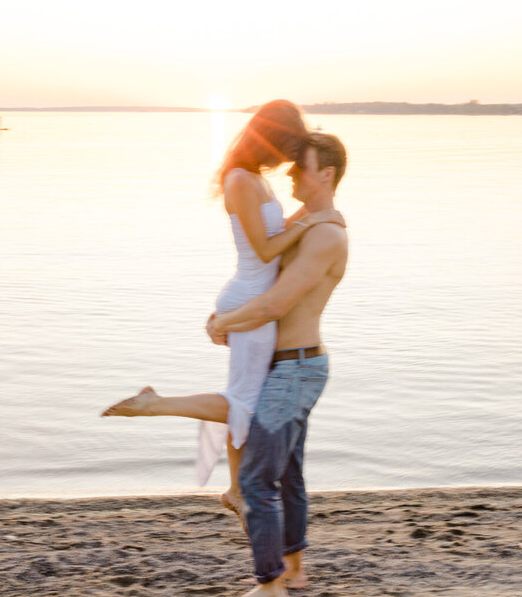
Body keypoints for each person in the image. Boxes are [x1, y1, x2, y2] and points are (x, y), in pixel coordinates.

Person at [101, 101, 342, 522]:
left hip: (256, 298)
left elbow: (276, 233)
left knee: (247, 398)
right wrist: (309, 224)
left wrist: (320, 212)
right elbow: (267, 249)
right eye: (287, 148)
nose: (288, 161)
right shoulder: (240, 180)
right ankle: (155, 404)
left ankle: (234, 488)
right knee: (244, 401)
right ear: (270, 139)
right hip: (250, 298)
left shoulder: (255, 180)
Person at [206, 132, 349, 597]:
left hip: (296, 368)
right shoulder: (313, 226)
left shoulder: (326, 236)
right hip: (291, 366)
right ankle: (294, 570)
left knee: (256, 481)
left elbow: (276, 303)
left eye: (300, 167)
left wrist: (223, 322)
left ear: (325, 174)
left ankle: (270, 587)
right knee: (288, 477)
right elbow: (266, 257)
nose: (289, 172)